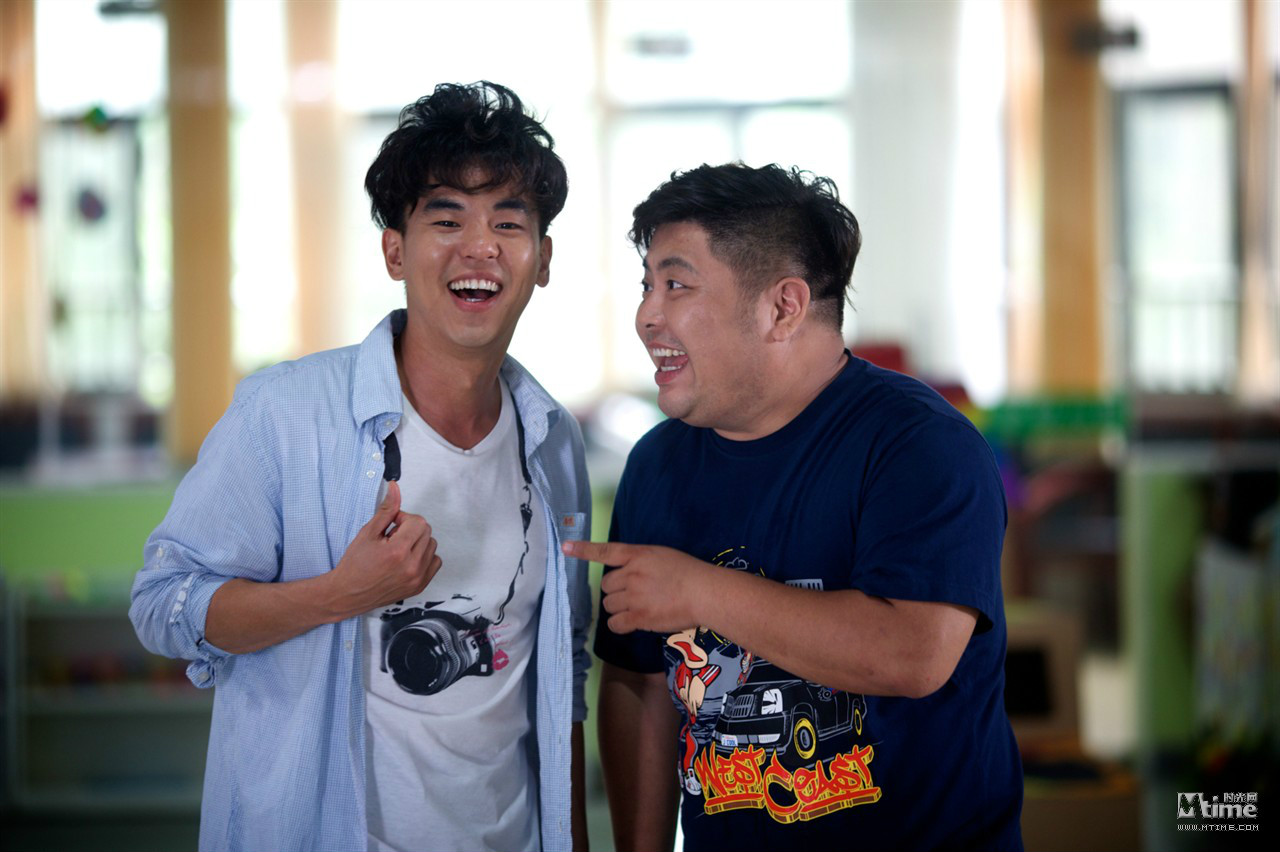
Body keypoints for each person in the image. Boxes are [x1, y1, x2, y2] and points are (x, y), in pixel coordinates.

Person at [131, 82, 592, 852]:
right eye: (447, 219)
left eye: (509, 223)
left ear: (541, 259)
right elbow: (163, 604)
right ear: (394, 250)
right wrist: (339, 594)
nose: (480, 248)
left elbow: (561, 673)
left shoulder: (553, 441)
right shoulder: (287, 414)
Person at [572, 163, 1022, 851]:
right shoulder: (658, 464)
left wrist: (697, 591)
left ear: (783, 307)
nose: (647, 316)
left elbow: (912, 653)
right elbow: (639, 681)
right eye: (646, 286)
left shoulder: (920, 444)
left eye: (676, 285)